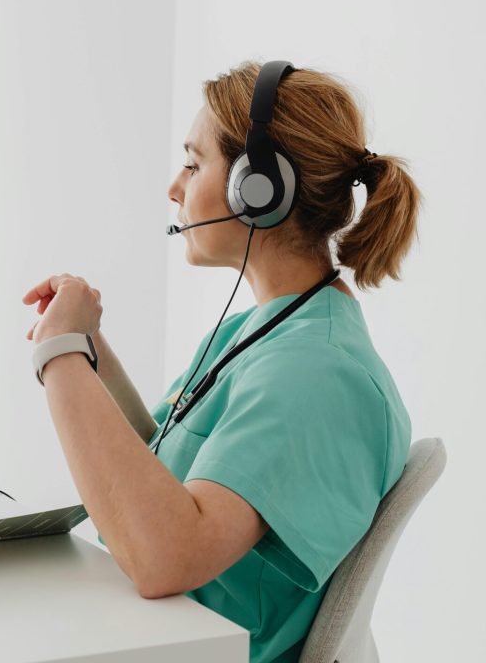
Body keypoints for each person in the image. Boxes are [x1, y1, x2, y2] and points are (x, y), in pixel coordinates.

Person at [21, 60, 420, 663]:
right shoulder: (268, 331)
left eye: (192, 162)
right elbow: (164, 468)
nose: (174, 187)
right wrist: (90, 348)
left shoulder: (315, 373)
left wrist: (60, 358)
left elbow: (165, 556)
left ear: (259, 188)